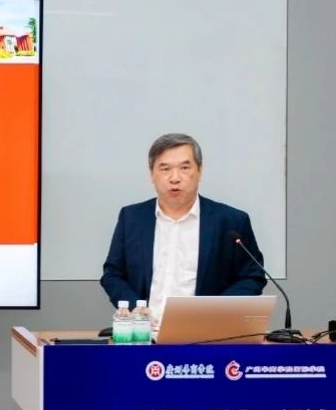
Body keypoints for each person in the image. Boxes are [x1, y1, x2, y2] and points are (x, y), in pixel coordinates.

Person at [100, 133, 266, 323]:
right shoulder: (132, 218)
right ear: (151, 174)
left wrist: (215, 312)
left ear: (200, 171)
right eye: (165, 169)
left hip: (206, 331)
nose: (175, 178)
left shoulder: (231, 221)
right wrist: (135, 309)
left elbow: (252, 277)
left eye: (184, 168)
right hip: (144, 330)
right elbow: (113, 274)